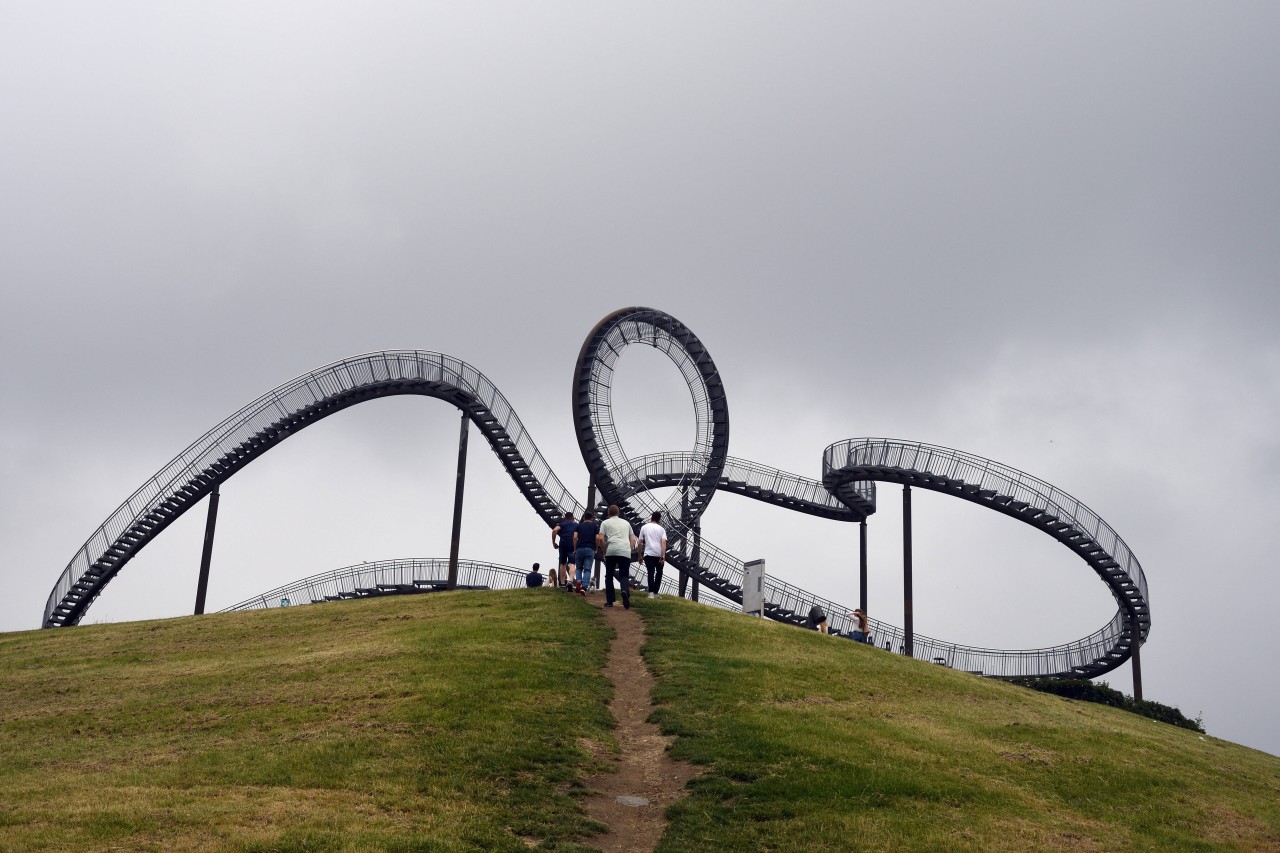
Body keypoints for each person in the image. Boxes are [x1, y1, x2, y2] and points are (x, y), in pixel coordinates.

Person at [599, 504, 636, 609]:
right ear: (619, 513)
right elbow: (632, 539)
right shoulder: (626, 523)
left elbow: (601, 539)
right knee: (624, 575)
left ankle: (610, 601)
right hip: (624, 550)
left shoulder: (605, 523)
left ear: (608, 514)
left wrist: (604, 551)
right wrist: (630, 548)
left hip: (611, 550)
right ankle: (624, 591)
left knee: (609, 575)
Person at [638, 511, 667, 599]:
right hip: (658, 553)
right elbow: (663, 542)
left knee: (650, 572)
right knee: (659, 573)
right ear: (659, 519)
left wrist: (639, 555)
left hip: (648, 553)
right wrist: (663, 556)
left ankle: (650, 592)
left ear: (651, 517)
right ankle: (656, 593)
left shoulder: (644, 527)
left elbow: (639, 542)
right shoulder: (661, 529)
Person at [573, 511, 600, 594]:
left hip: (579, 548)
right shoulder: (595, 526)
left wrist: (575, 548)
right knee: (587, 569)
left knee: (578, 568)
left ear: (584, 518)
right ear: (592, 518)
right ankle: (584, 587)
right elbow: (598, 538)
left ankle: (578, 580)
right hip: (590, 548)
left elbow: (574, 537)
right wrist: (595, 548)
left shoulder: (579, 526)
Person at [551, 511, 578, 589]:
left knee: (563, 563)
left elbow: (554, 530)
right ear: (573, 518)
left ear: (565, 518)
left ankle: (562, 583)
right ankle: (570, 581)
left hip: (563, 543)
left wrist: (553, 543)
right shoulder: (576, 525)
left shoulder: (562, 524)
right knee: (572, 564)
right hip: (572, 544)